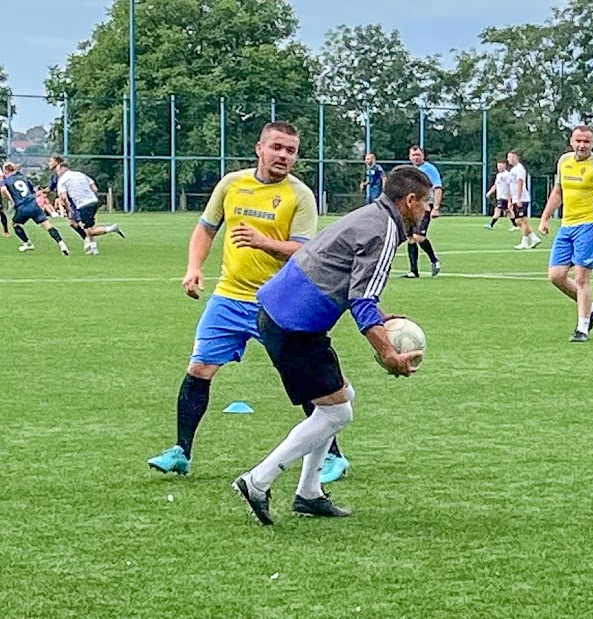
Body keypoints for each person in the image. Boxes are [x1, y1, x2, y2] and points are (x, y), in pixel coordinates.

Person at [146, 121, 354, 479]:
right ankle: (182, 451)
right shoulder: (231, 184)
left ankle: (333, 457)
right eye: (277, 147)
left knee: (303, 377)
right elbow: (205, 229)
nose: (283, 155)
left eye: (290, 150)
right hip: (229, 296)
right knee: (199, 369)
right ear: (259, 148)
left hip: (280, 302)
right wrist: (194, 267)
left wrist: (263, 242)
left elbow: (304, 252)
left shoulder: (300, 195)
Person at [232, 165, 430, 524]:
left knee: (339, 406)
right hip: (295, 326)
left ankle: (309, 494)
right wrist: (389, 355)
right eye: (425, 203)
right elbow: (362, 302)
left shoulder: (372, 215)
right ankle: (257, 481)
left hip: (284, 315)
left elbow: (351, 283)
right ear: (410, 201)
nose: (427, 211)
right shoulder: (385, 229)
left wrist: (383, 321)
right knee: (337, 412)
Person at [539, 125, 593, 342]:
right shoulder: (564, 161)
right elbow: (558, 192)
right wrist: (545, 218)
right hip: (566, 226)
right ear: (571, 141)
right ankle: (590, 308)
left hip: (589, 226)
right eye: (578, 141)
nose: (582, 145)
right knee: (555, 276)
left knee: (581, 278)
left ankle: (582, 328)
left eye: (586, 142)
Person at [55, 160, 124, 255]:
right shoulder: (81, 174)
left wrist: (68, 209)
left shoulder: (62, 180)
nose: (57, 173)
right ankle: (93, 248)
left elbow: (63, 197)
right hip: (93, 201)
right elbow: (95, 189)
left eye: (57, 170)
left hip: (83, 205)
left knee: (90, 231)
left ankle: (111, 228)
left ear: (62, 169)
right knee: (83, 225)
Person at [0, 162, 69, 255]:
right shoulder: (23, 177)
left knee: (15, 224)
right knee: (47, 225)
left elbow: (3, 190)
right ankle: (61, 244)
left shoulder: (6, 181)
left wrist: (11, 200)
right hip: (33, 204)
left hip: (22, 207)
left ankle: (27, 243)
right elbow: (32, 190)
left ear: (6, 170)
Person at [403, 145, 442, 278]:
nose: (416, 157)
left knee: (419, 237)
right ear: (409, 156)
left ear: (423, 155)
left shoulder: (429, 169)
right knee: (410, 238)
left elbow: (437, 187)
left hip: (424, 207)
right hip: (411, 209)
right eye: (413, 155)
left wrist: (435, 207)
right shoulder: (410, 171)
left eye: (418, 155)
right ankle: (413, 271)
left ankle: (434, 260)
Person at [508, 152, 541, 250]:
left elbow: (520, 183)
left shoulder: (519, 169)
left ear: (515, 157)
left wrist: (518, 198)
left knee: (521, 221)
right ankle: (534, 238)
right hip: (516, 198)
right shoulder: (513, 170)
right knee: (519, 221)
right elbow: (511, 185)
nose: (508, 159)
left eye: (509, 157)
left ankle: (525, 242)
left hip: (521, 198)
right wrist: (510, 200)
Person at [484, 161, 515, 230]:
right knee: (508, 211)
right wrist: (490, 192)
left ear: (504, 165)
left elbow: (510, 186)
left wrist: (509, 197)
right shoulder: (498, 175)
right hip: (499, 196)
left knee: (497, 210)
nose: (499, 168)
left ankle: (491, 225)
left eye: (500, 166)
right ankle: (515, 225)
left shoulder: (507, 175)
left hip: (504, 197)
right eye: (498, 166)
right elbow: (495, 185)